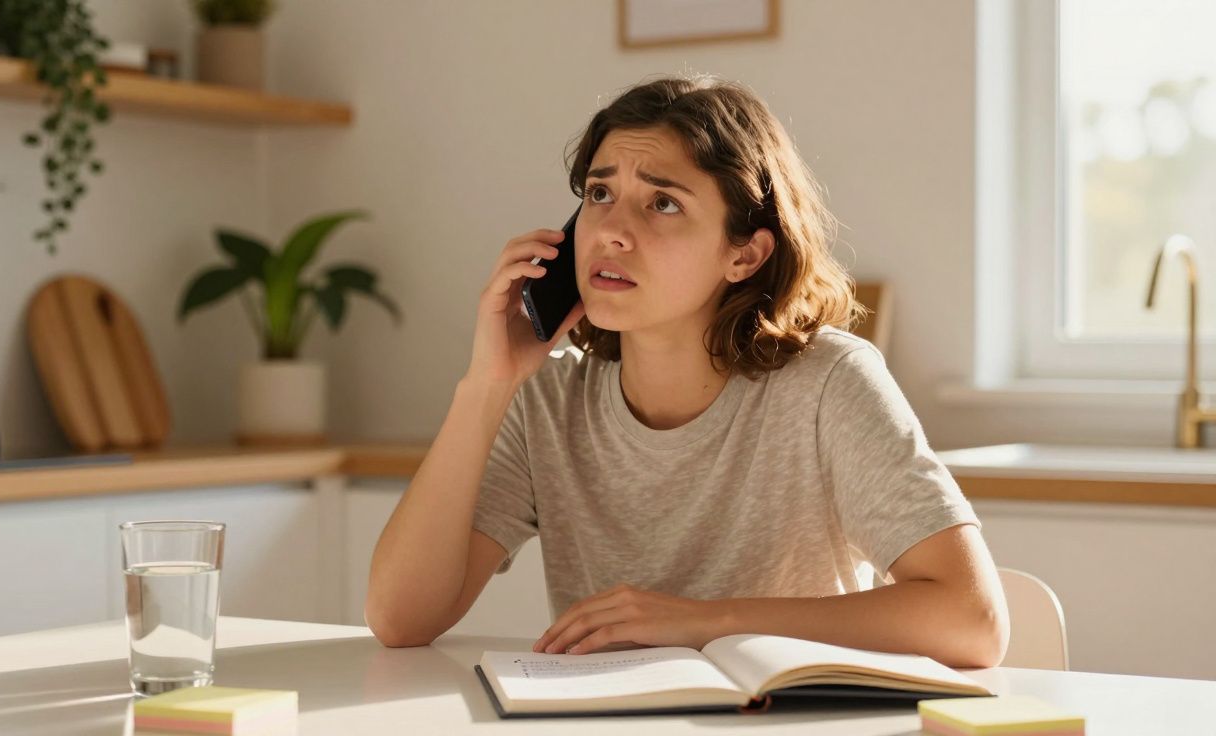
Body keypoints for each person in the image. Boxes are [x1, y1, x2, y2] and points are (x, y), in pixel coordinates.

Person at [366, 74, 1009, 668]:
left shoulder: (831, 383)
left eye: (663, 204)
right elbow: (400, 619)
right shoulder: (548, 398)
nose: (612, 230)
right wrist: (487, 382)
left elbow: (973, 620)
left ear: (745, 253)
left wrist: (704, 622)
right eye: (599, 193)